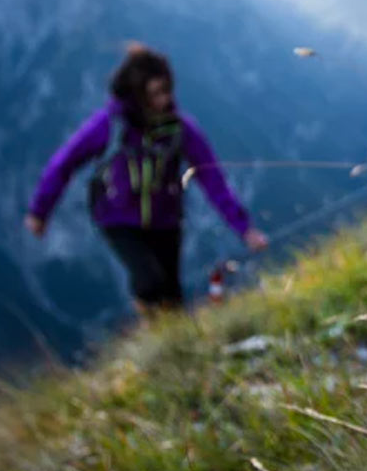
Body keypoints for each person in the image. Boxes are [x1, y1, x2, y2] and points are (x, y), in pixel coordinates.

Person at [25, 45, 268, 312]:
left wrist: (245, 228)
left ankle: (172, 344)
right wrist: (39, 211)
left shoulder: (180, 128)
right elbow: (64, 163)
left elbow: (211, 177)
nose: (164, 100)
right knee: (150, 282)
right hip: (118, 218)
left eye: (167, 90)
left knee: (172, 296)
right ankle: (151, 331)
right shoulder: (109, 125)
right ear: (136, 95)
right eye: (155, 93)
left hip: (166, 219)